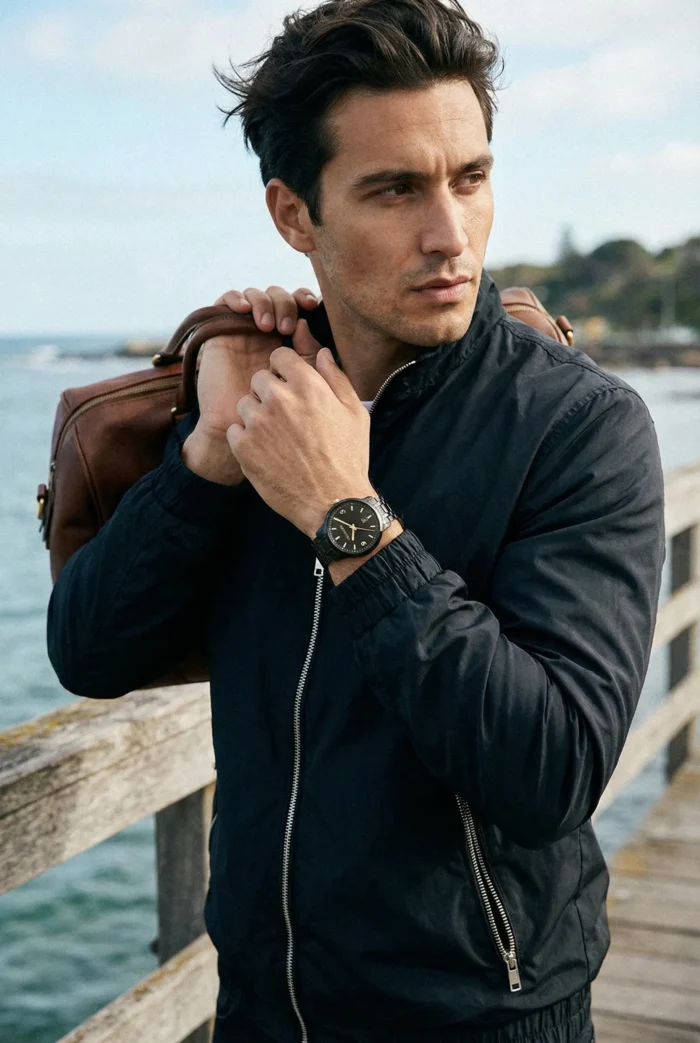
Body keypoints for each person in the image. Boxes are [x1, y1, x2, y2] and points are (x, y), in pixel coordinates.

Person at [47, 1, 665, 1040]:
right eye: (394, 190)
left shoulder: (579, 426)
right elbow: (89, 650)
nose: (449, 233)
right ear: (295, 215)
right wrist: (206, 460)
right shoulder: (257, 408)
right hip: (262, 1006)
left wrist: (348, 518)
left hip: (482, 1016)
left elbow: (551, 767)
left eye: (469, 178)